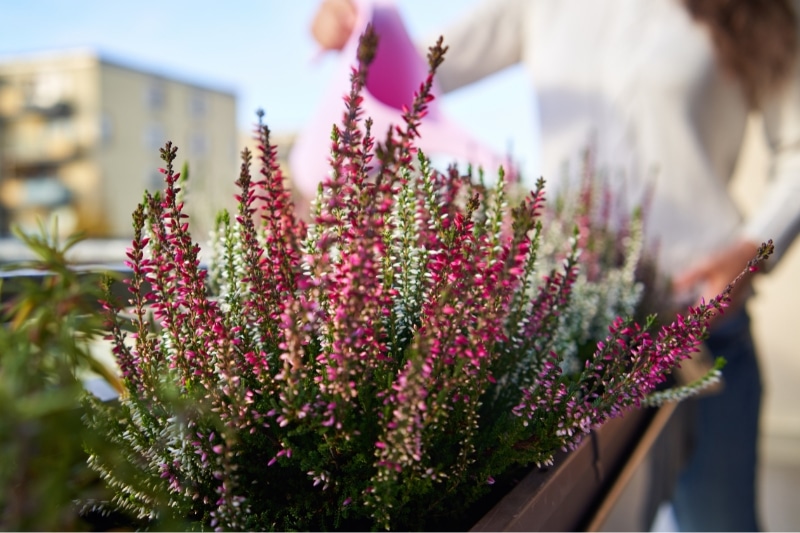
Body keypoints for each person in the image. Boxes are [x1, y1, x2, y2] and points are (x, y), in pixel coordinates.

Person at [309, 0, 800, 530]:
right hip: (587, 344)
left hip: (705, 327)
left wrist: (753, 247)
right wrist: (361, 29)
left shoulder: (752, 12)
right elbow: (422, 63)